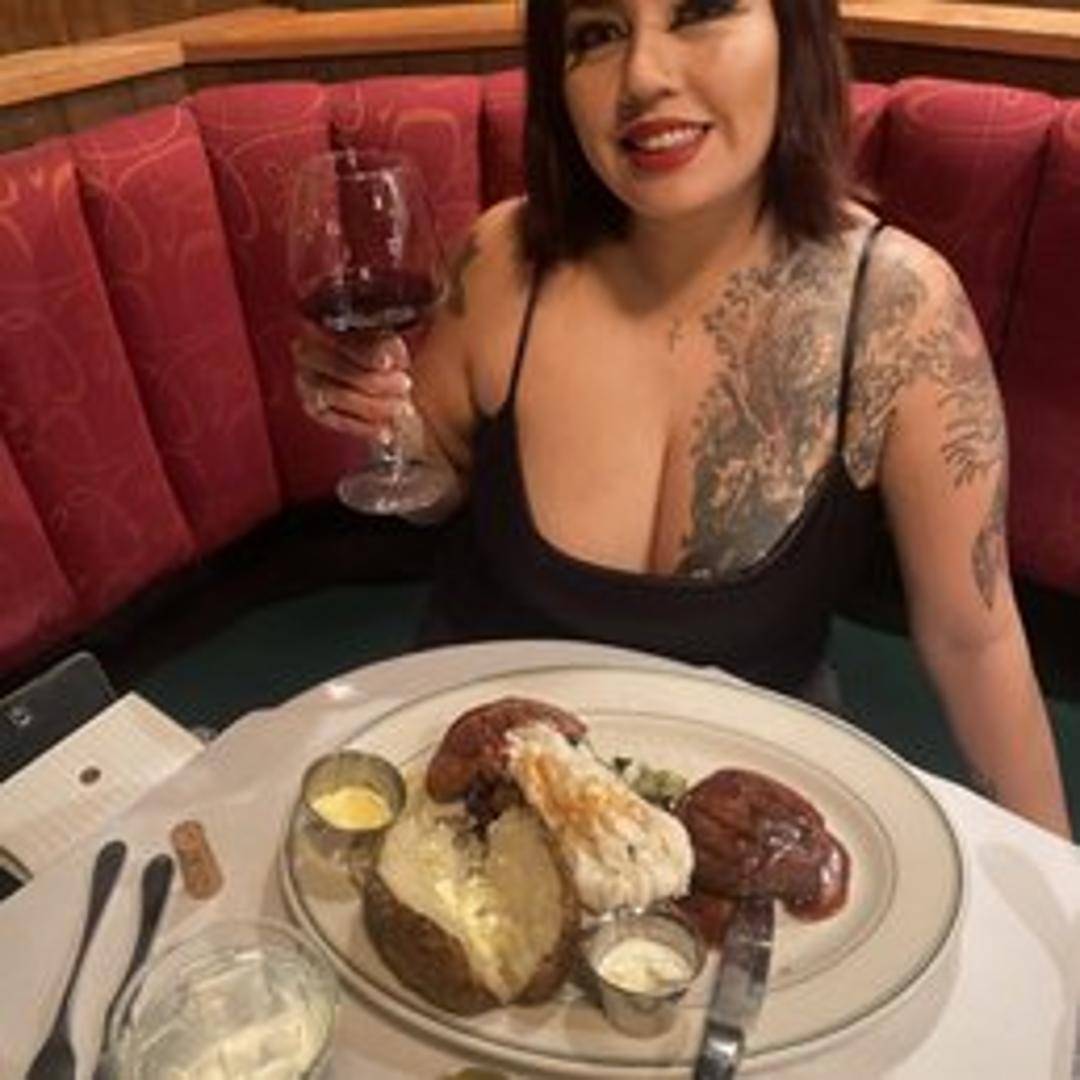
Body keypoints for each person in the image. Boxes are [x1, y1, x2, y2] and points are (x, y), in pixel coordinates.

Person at [292, 0, 1071, 838]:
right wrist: (380, 419)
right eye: (597, 34)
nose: (643, 76)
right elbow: (438, 480)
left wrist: (1060, 882)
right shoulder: (502, 259)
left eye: (700, 11)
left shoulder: (899, 309)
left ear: (796, 33)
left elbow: (973, 641)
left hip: (739, 813)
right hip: (477, 784)